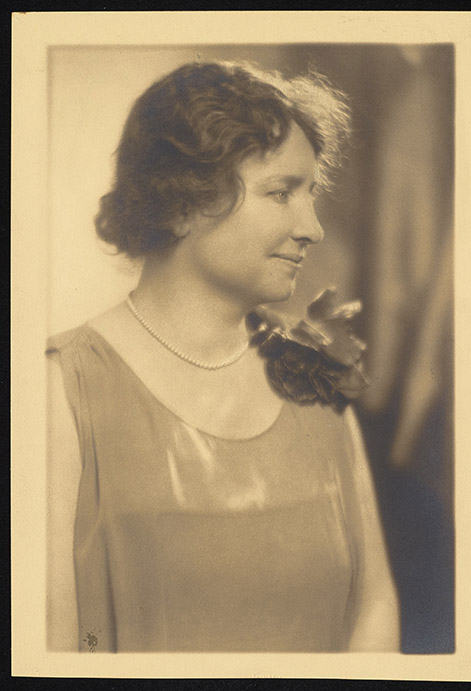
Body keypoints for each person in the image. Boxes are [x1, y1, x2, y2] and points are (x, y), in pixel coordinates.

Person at [46, 60, 400, 653]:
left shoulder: (314, 370)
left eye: (310, 194)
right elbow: (44, 647)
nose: (311, 227)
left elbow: (374, 609)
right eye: (282, 193)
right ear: (182, 200)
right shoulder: (61, 387)